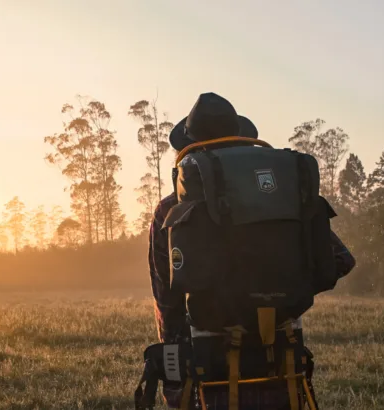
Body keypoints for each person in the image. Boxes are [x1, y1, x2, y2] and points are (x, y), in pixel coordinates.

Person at [147, 92, 356, 409]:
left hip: (211, 365)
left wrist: (176, 384)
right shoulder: (283, 196)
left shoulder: (170, 210)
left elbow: (168, 300)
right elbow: (340, 260)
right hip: (281, 355)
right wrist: (282, 291)